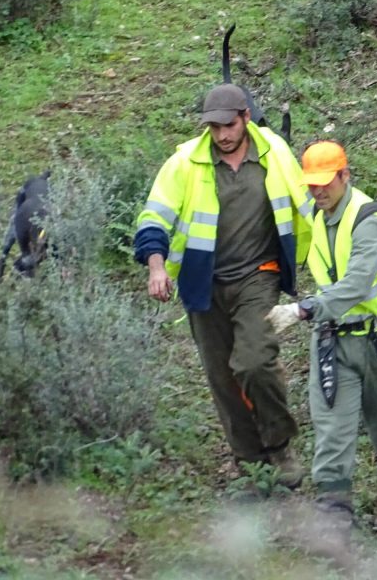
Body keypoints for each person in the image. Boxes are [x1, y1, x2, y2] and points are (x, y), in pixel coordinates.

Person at [134, 84, 313, 488]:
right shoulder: (185, 162)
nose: (221, 135)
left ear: (246, 117)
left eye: (228, 126)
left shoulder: (274, 153)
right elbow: (154, 217)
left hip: (259, 275)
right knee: (223, 377)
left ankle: (280, 446)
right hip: (204, 284)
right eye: (213, 128)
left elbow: (309, 203)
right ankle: (250, 462)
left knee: (253, 362)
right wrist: (157, 267)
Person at [267, 141, 377, 537]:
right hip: (334, 342)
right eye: (312, 185)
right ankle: (334, 514)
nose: (318, 191)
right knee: (332, 430)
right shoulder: (319, 218)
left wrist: (303, 309)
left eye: (325, 183)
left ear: (344, 176)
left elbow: (355, 285)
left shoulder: (369, 221)